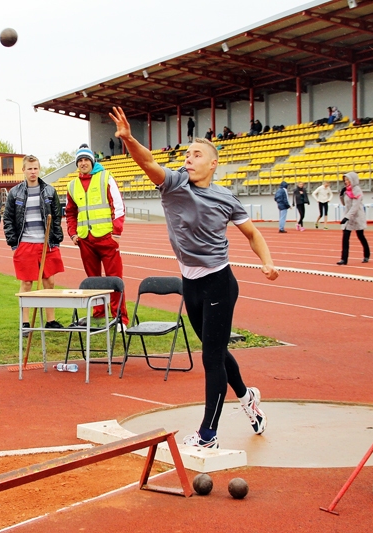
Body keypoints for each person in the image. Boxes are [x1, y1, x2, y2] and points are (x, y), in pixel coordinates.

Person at [109, 106, 277, 449]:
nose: (189, 158)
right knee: (214, 350)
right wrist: (128, 139)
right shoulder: (174, 184)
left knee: (211, 357)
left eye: (197, 154)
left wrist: (267, 262)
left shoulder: (226, 197)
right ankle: (248, 398)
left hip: (219, 281)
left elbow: (252, 234)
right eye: (187, 153)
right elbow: (148, 163)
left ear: (212, 164)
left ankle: (207, 435)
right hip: (192, 284)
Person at [64, 144, 129, 327]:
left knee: (114, 279)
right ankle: (98, 312)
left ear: (92, 161)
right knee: (93, 280)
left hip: (106, 238)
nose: (83, 163)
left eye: (86, 160)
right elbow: (70, 212)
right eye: (80, 160)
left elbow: (118, 206)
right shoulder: (72, 185)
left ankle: (119, 318)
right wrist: (73, 233)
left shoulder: (106, 177)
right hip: (85, 240)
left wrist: (116, 233)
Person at [4, 155, 65, 335]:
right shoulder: (15, 193)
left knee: (50, 281)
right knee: (27, 282)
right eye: (29, 169)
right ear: (23, 170)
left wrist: (55, 240)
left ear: (39, 169)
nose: (33, 172)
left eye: (35, 168)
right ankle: (25, 323)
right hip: (26, 243)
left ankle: (51, 320)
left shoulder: (49, 191)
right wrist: (14, 243)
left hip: (46, 243)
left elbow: (56, 217)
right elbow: (8, 218)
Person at [337, 172, 370, 265]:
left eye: (348, 180)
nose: (346, 182)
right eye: (345, 180)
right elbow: (344, 204)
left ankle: (366, 255)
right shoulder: (347, 190)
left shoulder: (357, 190)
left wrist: (347, 217)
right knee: (345, 237)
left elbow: (355, 206)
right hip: (348, 217)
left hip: (357, 216)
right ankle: (344, 259)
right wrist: (341, 195)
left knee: (361, 236)